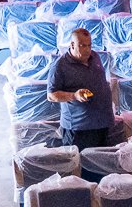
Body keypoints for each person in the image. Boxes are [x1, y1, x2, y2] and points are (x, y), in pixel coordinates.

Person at [48, 27, 115, 169]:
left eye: (89, 45)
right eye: (82, 45)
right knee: (83, 170)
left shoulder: (95, 57)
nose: (87, 50)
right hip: (80, 129)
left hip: (102, 123)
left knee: (100, 168)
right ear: (72, 45)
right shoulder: (60, 66)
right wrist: (74, 95)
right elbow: (51, 95)